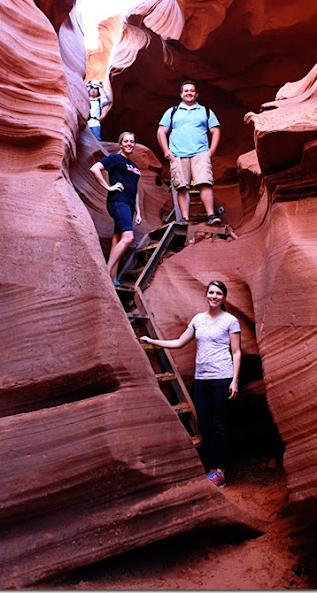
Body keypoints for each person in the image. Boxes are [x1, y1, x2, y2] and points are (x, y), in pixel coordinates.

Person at [141, 280, 241, 488]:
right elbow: (178, 342)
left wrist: (235, 381)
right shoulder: (198, 320)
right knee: (204, 423)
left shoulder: (230, 321)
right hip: (201, 379)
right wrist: (152, 341)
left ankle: (220, 471)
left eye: (218, 293)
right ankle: (213, 467)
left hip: (221, 377)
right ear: (206, 295)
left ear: (224, 297)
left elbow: (236, 352)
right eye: (211, 292)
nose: (214, 296)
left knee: (220, 424)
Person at [157, 80, 221, 225]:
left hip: (200, 153)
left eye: (192, 90)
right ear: (181, 94)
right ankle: (185, 218)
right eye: (186, 91)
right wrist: (166, 151)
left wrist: (211, 151)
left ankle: (211, 215)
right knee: (182, 186)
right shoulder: (172, 112)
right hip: (178, 154)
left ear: (196, 94)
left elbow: (215, 131)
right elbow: (161, 131)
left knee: (205, 182)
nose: (189, 93)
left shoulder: (205, 111)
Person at [89, 132, 142, 283]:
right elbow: (95, 168)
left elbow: (135, 190)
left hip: (129, 205)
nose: (129, 144)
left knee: (117, 238)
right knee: (128, 237)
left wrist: (138, 212)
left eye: (132, 141)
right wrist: (108, 187)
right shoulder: (115, 159)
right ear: (120, 144)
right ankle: (105, 272)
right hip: (118, 201)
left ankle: (113, 278)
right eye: (126, 141)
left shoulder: (134, 166)